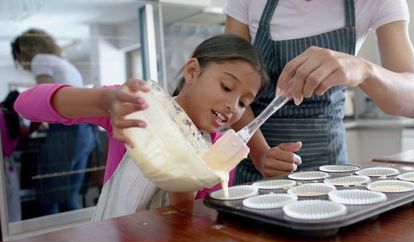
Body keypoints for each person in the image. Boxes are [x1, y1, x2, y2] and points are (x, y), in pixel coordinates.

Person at [14, 34, 269, 220]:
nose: (232, 106)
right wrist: (103, 102)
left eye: (244, 103)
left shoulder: (218, 156)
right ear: (192, 72)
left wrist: (183, 185)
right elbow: (25, 104)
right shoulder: (135, 108)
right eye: (226, 87)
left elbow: (193, 227)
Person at [224, 0, 414, 184]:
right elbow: (229, 90)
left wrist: (364, 70)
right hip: (254, 170)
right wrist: (261, 155)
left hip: (331, 174)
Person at [11, 28, 96, 214]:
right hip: (85, 132)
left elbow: (43, 101)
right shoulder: (64, 63)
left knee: (48, 198)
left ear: (23, 50)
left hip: (66, 133)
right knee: (68, 200)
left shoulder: (39, 60)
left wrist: (30, 129)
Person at [0, 91, 23, 222]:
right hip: (10, 168)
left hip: (4, 166)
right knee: (14, 212)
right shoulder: (14, 119)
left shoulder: (2, 116)